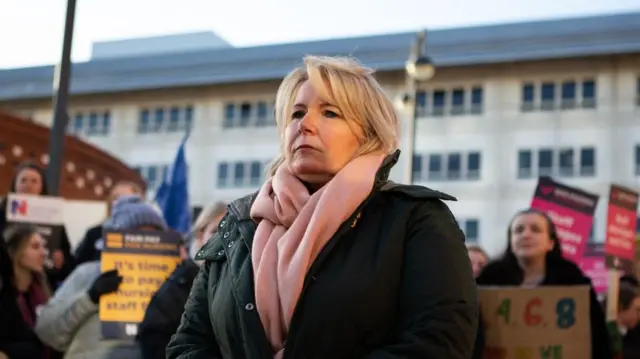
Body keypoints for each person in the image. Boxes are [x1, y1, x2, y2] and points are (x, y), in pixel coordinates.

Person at [166, 55, 478, 359]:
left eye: (329, 113)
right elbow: (188, 342)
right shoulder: (238, 224)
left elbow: (440, 341)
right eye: (296, 113)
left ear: (369, 134)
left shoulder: (415, 217)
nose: (305, 125)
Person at [34, 195, 169, 359]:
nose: (145, 246)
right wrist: (89, 298)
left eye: (154, 239)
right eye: (136, 237)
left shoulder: (172, 285)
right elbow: (46, 332)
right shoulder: (87, 273)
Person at [476, 208, 613, 359]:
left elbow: (596, 334)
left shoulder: (571, 278)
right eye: (518, 230)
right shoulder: (489, 278)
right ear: (511, 242)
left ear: (551, 243)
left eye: (535, 230)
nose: (526, 235)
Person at [137, 201, 227, 359]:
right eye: (215, 231)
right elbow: (153, 341)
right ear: (200, 235)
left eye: (231, 233)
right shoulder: (177, 286)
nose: (223, 240)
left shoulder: (247, 285)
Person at [0, 161, 75, 289]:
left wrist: (62, 263)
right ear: (15, 185)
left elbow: (68, 264)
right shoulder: (2, 212)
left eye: (34, 181)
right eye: (23, 180)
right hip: (7, 283)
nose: (28, 185)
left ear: (42, 187)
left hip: (44, 285)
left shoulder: (54, 218)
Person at [0, 224, 61, 359]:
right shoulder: (5, 295)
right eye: (35, 247)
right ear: (17, 253)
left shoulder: (43, 288)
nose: (44, 252)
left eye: (43, 246)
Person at [74, 181, 143, 265]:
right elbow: (77, 267)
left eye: (130, 201)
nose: (123, 205)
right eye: (117, 199)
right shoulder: (94, 234)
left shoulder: (151, 237)